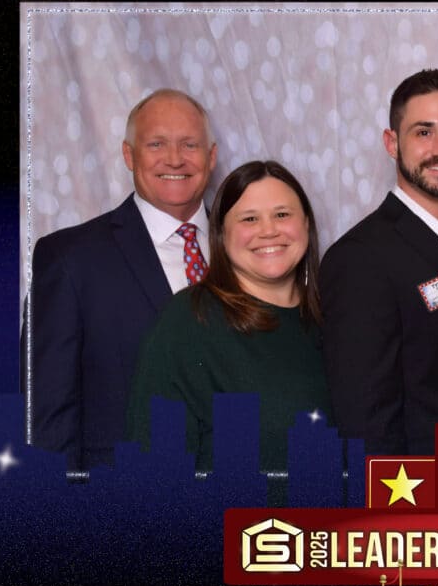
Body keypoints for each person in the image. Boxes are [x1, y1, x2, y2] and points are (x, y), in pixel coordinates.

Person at [27, 88, 217, 471]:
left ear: (211, 157)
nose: (175, 159)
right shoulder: (70, 260)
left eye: (190, 144)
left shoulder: (254, 250)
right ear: (129, 155)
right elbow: (46, 415)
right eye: (157, 144)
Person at [319, 69, 438, 455]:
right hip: (428, 501)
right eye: (423, 132)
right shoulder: (360, 257)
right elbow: (365, 419)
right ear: (392, 143)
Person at [126, 160, 329, 473]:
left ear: (306, 224)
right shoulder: (188, 323)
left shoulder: (338, 316)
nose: (269, 230)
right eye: (249, 219)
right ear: (221, 234)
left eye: (282, 214)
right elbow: (154, 470)